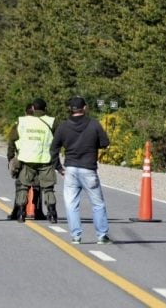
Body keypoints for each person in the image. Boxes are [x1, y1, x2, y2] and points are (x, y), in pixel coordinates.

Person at [50, 96, 111, 244]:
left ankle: (76, 236)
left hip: (70, 168)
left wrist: (59, 167)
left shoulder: (63, 126)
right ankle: (101, 235)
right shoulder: (94, 124)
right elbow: (105, 143)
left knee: (71, 204)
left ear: (70, 109)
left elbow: (53, 149)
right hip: (88, 169)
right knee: (97, 204)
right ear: (84, 108)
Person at [7, 98, 58, 223]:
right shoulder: (52, 122)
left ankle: (21, 213)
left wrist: (10, 157)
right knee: (48, 188)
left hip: (27, 159)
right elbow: (60, 138)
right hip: (45, 159)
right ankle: (52, 213)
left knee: (23, 186)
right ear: (45, 108)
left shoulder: (22, 121)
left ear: (33, 108)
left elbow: (12, 139)